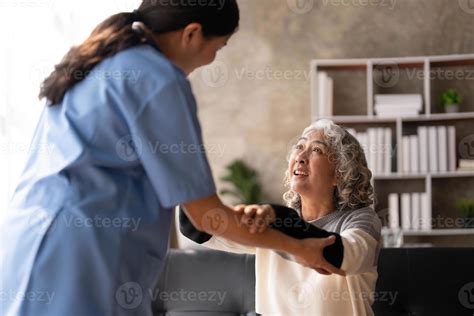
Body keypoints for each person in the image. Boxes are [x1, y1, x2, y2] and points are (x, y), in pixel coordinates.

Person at [0, 2, 343, 315]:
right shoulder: (157, 78)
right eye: (217, 48)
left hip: (30, 246)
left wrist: (220, 214)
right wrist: (299, 249)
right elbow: (207, 217)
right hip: (76, 257)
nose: (211, 60)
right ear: (192, 33)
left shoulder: (99, 60)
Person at [181, 119, 382, 316]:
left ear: (340, 174)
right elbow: (197, 228)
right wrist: (185, 167)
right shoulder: (274, 222)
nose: (301, 156)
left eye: (316, 150)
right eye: (299, 147)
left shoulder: (361, 220)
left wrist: (279, 218)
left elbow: (340, 256)